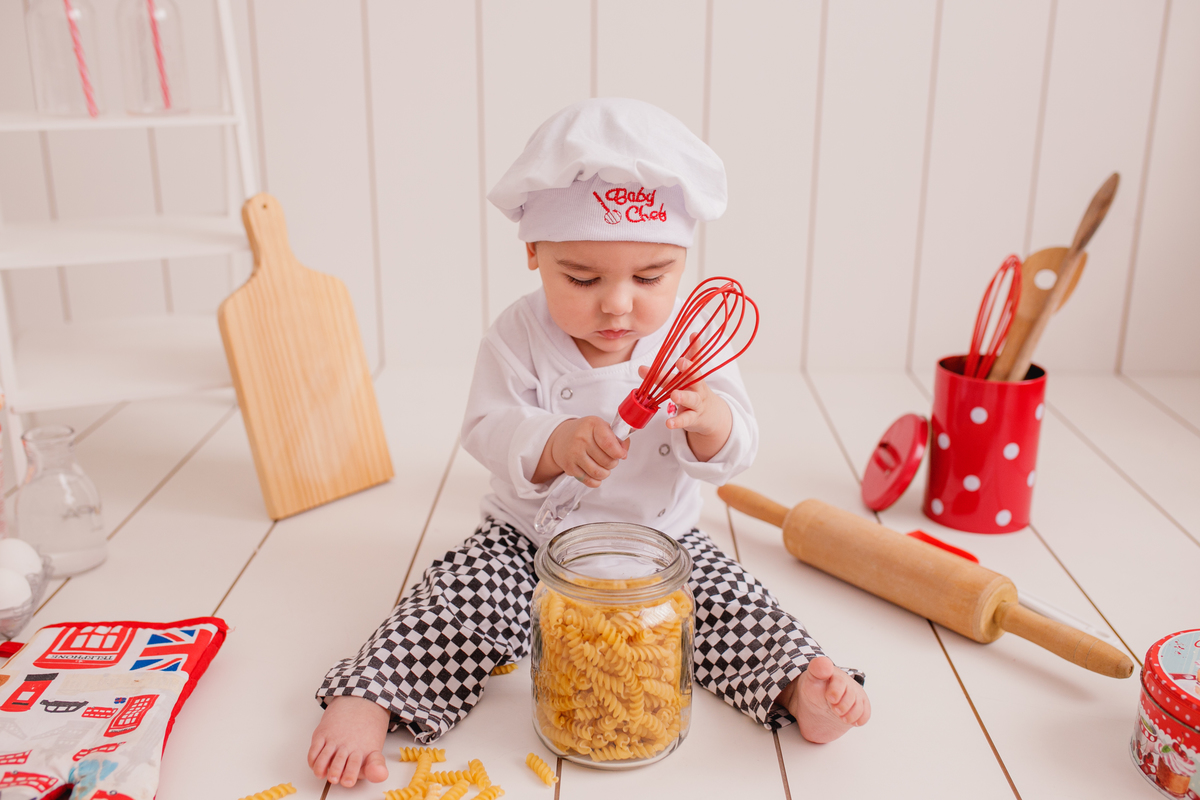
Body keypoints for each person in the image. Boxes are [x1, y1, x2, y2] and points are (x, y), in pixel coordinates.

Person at [307, 98, 871, 788]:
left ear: (683, 259)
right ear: (534, 254)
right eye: (582, 279)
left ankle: (797, 689)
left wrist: (709, 420)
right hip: (530, 542)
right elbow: (485, 428)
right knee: (454, 602)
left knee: (734, 607)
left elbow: (737, 448)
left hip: (661, 542)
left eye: (651, 276)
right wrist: (553, 440)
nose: (618, 305)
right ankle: (374, 695)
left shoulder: (693, 341)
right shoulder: (518, 337)